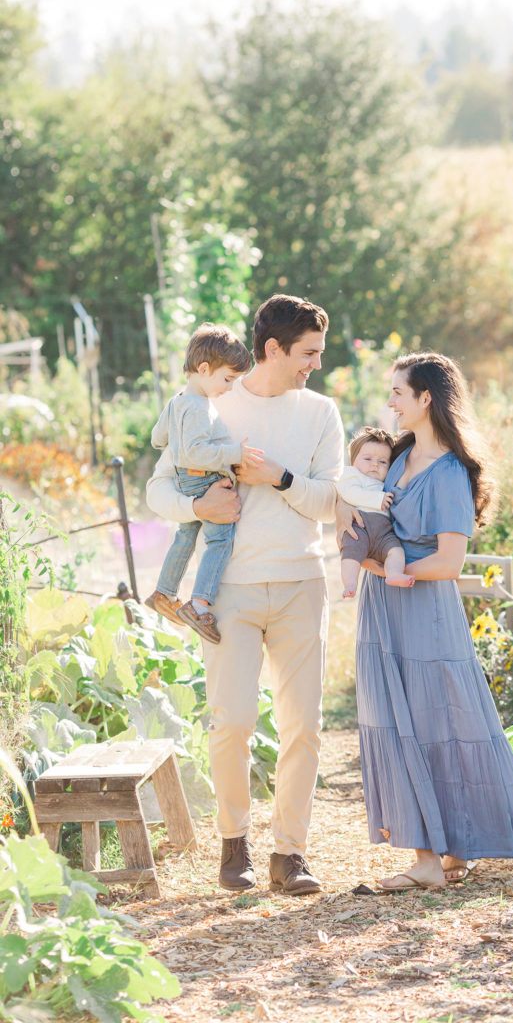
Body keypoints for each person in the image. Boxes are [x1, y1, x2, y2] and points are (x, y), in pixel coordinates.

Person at [147, 294, 344, 895]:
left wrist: (278, 478)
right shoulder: (211, 399)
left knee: (303, 726)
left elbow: (329, 502)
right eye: (307, 353)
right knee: (230, 721)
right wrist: (195, 505)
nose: (315, 364)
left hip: (301, 581)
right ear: (273, 350)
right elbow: (158, 489)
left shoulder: (321, 412)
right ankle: (235, 844)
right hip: (227, 590)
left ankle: (290, 853)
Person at [337, 352, 513, 890]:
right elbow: (356, 508)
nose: (390, 403)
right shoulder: (395, 455)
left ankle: (442, 855)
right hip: (383, 609)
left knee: (438, 724)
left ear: (426, 397)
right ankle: (436, 855)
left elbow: (449, 564)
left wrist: (382, 567)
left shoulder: (451, 472)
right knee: (399, 721)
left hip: (424, 611)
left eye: (398, 393)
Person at [145, 323, 259, 644]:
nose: (229, 387)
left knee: (186, 535)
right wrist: (234, 452)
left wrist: (178, 441)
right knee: (220, 541)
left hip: (186, 480)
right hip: (204, 480)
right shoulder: (198, 406)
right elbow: (195, 452)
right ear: (204, 368)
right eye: (227, 379)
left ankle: (165, 592)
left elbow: (157, 439)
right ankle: (199, 603)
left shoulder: (178, 401)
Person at [337, 426, 415, 599]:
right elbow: (349, 493)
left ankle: (393, 573)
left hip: (383, 532)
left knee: (395, 550)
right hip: (359, 526)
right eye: (368, 459)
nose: (375, 464)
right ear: (353, 461)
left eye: (382, 462)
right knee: (351, 553)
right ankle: (350, 583)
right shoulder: (351, 475)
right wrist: (377, 500)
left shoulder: (385, 483)